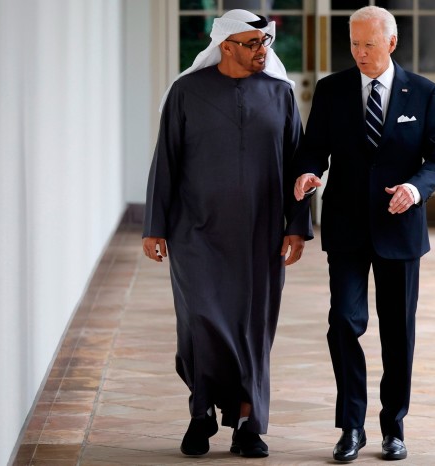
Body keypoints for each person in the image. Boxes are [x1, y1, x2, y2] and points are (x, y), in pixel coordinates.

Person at [142, 9, 313, 458]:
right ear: (226, 47)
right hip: (195, 232)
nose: (262, 52)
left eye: (265, 44)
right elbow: (166, 163)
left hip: (261, 236)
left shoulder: (280, 95)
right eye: (252, 44)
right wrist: (154, 226)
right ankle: (201, 414)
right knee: (201, 324)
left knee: (252, 329)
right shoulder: (186, 92)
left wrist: (297, 226)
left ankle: (246, 423)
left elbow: (299, 162)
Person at [294, 6, 435, 462]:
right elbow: (313, 150)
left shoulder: (424, 93)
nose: (360, 54)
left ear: (392, 43)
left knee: (397, 333)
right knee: (343, 322)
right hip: (345, 225)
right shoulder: (331, 90)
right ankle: (351, 427)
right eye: (355, 45)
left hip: (399, 229)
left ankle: (393, 426)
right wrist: (307, 175)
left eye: (369, 45)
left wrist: (414, 189)